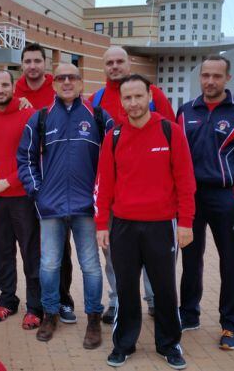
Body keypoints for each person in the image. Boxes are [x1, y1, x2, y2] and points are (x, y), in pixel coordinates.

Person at [94, 74, 196, 370]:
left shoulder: (169, 131)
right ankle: (124, 344)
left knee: (164, 288)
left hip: (162, 225)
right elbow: (105, 184)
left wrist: (186, 222)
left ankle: (169, 344)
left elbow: (185, 181)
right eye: (128, 98)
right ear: (121, 101)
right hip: (124, 226)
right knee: (125, 288)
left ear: (150, 96)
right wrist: (102, 224)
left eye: (139, 96)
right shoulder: (113, 135)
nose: (134, 103)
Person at [17, 62, 111, 349]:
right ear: (54, 83)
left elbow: (114, 160)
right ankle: (50, 314)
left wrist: (103, 198)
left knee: (91, 266)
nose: (67, 82)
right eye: (61, 78)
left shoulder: (97, 117)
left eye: (72, 77)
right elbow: (25, 158)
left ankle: (93, 318)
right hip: (51, 208)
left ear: (81, 83)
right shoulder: (41, 118)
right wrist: (37, 192)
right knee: (49, 265)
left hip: (86, 208)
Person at [177, 55, 234, 351]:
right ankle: (188, 315)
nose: (210, 81)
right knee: (190, 259)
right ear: (199, 78)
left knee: (230, 262)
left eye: (216, 76)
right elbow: (175, 158)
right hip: (190, 197)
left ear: (228, 78)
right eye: (205, 75)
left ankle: (231, 325)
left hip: (224, 197)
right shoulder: (186, 111)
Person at [90, 46, 176, 323]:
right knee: (113, 256)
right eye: (110, 62)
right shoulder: (96, 99)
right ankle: (117, 301)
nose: (115, 66)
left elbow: (172, 137)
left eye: (120, 61)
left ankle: (153, 299)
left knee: (154, 256)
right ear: (104, 67)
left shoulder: (155, 95)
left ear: (130, 63)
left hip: (152, 198)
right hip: (114, 194)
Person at [15, 43, 77, 324]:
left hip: (60, 186)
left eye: (37, 61)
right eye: (27, 61)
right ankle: (37, 303)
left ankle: (63, 300)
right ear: (21, 65)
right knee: (35, 248)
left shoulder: (60, 89)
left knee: (61, 248)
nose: (32, 66)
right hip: (30, 185)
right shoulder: (13, 93)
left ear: (45, 65)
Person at [0, 70, 41, 329]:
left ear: (14, 87)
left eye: (5, 84)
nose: (1, 89)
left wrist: (10, 181)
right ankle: (7, 300)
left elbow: (36, 156)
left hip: (23, 197)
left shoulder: (30, 115)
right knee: (0, 252)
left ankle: (35, 306)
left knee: (31, 253)